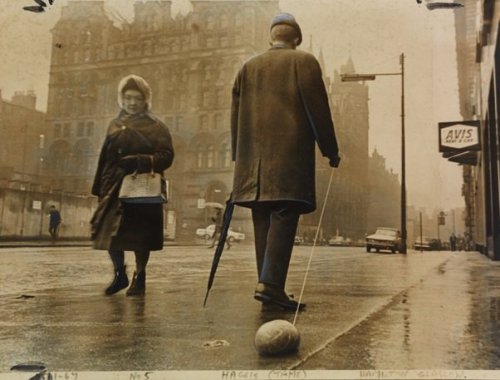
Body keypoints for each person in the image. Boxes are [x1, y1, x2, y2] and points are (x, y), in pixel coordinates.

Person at [230, 13, 340, 311]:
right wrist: (330, 150)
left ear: (271, 37)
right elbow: (319, 111)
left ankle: (267, 284)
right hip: (288, 160)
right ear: (296, 39)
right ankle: (270, 285)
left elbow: (235, 118)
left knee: (262, 217)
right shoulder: (303, 62)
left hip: (251, 165)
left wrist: (238, 158)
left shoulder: (246, 68)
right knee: (284, 213)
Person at [90, 74, 174, 296]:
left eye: (137, 98)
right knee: (110, 234)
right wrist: (99, 187)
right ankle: (120, 274)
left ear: (146, 99)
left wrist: (140, 161)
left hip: (141, 187)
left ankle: (140, 276)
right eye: (127, 98)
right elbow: (104, 157)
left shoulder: (156, 126)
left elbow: (166, 156)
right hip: (113, 187)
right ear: (122, 98)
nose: (132, 102)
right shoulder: (114, 124)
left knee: (140, 237)